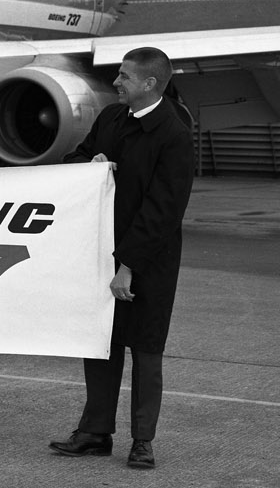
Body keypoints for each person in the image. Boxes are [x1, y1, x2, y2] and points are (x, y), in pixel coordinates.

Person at [49, 47, 194, 470]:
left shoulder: (174, 132)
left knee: (146, 352)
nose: (116, 82)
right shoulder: (111, 119)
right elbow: (74, 158)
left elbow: (164, 210)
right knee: (100, 345)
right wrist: (88, 164)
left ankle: (143, 441)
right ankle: (95, 431)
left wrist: (127, 266)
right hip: (101, 250)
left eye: (125, 77)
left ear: (149, 84)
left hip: (149, 261)